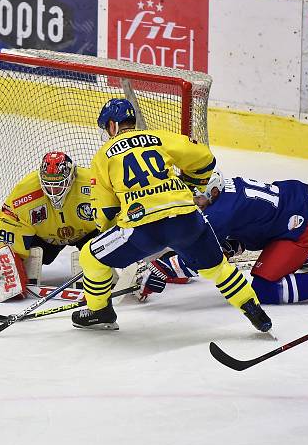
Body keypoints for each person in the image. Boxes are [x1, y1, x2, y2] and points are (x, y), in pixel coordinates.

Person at [72, 98, 272, 333]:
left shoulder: (104, 155)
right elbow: (205, 157)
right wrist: (191, 184)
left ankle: (99, 311)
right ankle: (254, 310)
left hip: (144, 228)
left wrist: (108, 234)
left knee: (90, 256)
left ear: (113, 126)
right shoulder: (159, 137)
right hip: (187, 219)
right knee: (217, 268)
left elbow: (105, 210)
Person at [137, 169, 308, 304]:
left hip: (302, 227)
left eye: (196, 195)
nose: (192, 199)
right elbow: (249, 226)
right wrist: (232, 245)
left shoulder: (219, 213)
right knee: (228, 244)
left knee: (263, 289)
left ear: (213, 192)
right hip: (290, 211)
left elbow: (201, 257)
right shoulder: (224, 195)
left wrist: (162, 269)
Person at [0, 151, 98, 266]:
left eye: (58, 184)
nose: (53, 190)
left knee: (98, 248)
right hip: (47, 239)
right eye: (48, 184)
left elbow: (112, 209)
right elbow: (9, 219)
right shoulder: (27, 188)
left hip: (87, 234)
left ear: (72, 177)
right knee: (43, 257)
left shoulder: (91, 182)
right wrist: (4, 252)